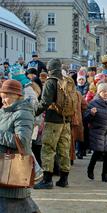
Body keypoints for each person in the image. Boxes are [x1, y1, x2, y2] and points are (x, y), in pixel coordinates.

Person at [0, 80, 40, 213]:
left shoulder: (24, 112)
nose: (3, 99)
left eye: (6, 96)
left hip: (13, 169)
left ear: (16, 95)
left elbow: (22, 141)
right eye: (2, 95)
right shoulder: (4, 111)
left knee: (14, 203)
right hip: (3, 169)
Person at [34, 58, 74, 189]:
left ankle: (47, 180)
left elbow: (45, 102)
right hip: (66, 120)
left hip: (53, 120)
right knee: (64, 149)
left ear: (49, 69)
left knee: (48, 149)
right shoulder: (67, 80)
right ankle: (64, 179)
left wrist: (33, 112)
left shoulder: (51, 82)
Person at [85, 83, 107, 182]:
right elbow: (86, 119)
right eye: (103, 91)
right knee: (97, 153)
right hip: (97, 132)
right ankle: (90, 169)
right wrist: (91, 113)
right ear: (99, 92)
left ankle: (105, 175)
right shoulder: (93, 103)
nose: (106, 93)